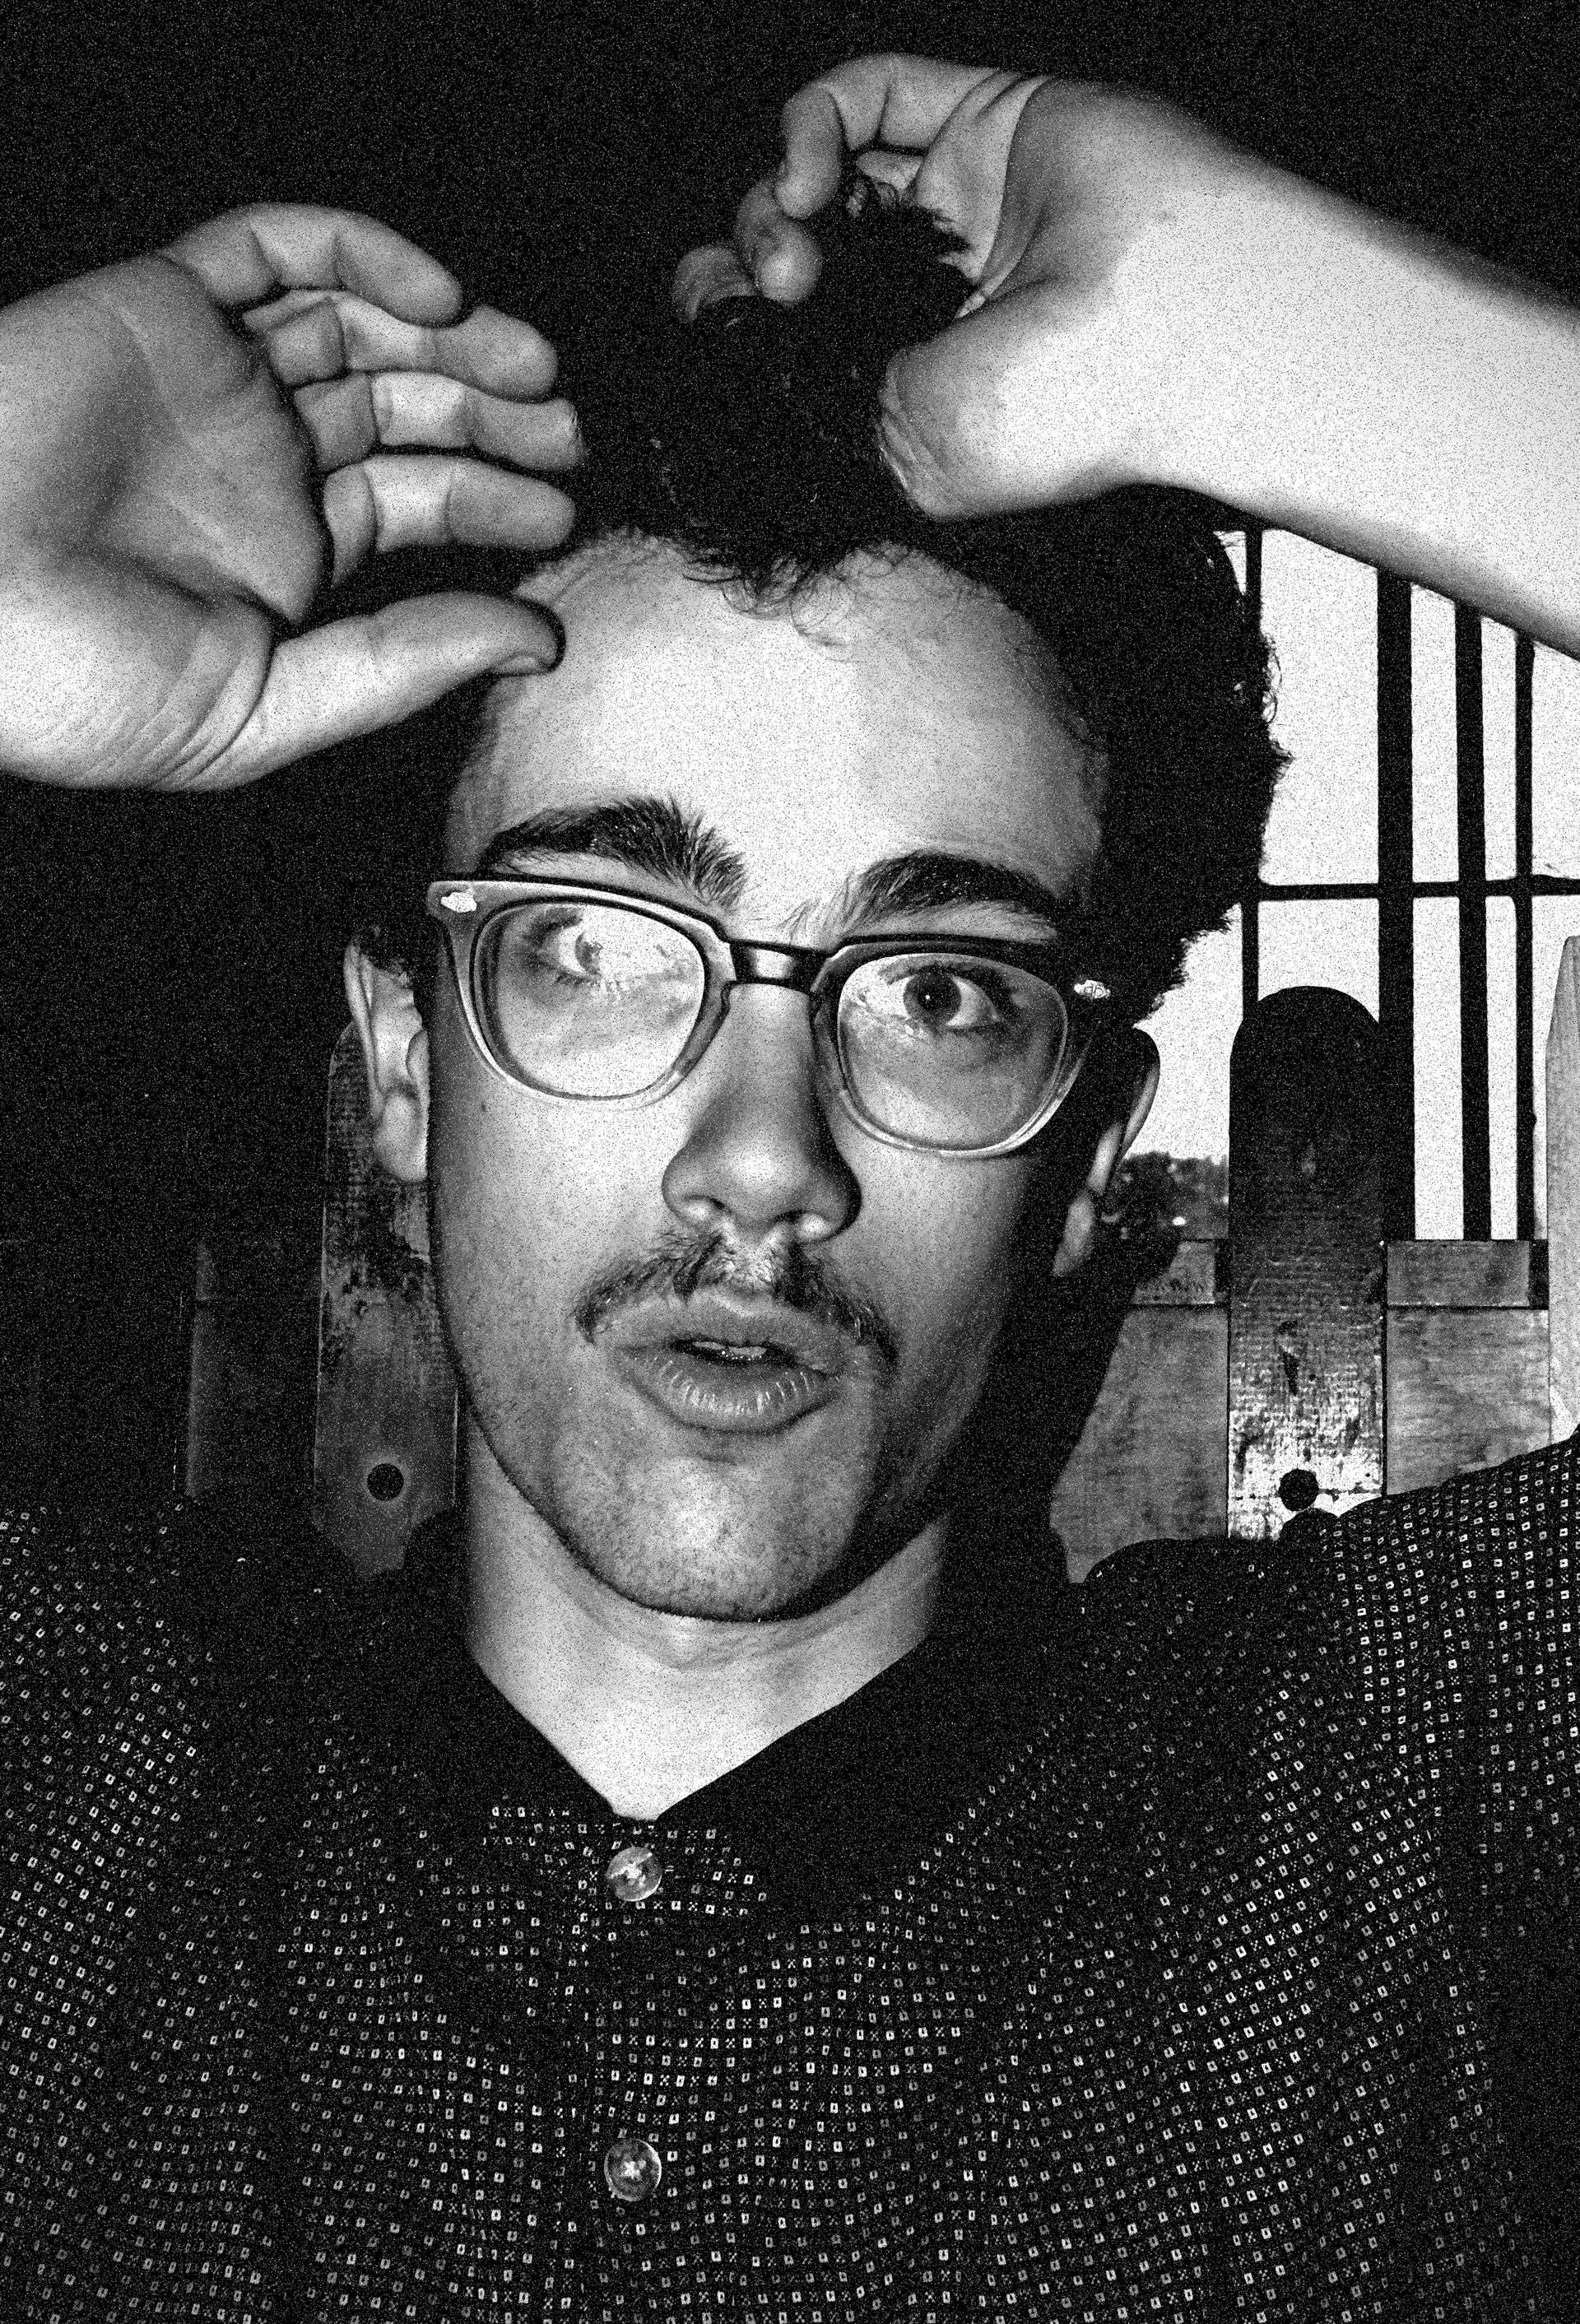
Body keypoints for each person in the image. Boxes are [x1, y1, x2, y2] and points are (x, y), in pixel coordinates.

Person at [1, 52, 1575, 2321]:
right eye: (598, 947)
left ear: (1082, 1154)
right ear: (402, 1064)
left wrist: (1318, 356)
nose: (764, 1159)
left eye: (937, 991)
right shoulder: (69, 1791)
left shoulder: (1397, 1823)